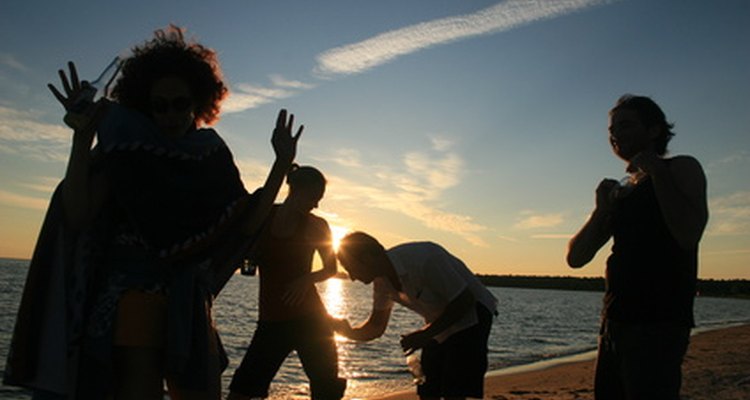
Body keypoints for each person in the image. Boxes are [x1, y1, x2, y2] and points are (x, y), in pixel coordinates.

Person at [4, 25, 302, 400]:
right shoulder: (128, 156)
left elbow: (247, 223)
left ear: (198, 103)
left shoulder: (211, 157)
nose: (171, 114)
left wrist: (281, 165)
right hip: (129, 301)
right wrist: (82, 138)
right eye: (159, 105)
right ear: (145, 105)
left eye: (180, 103)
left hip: (189, 306)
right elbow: (78, 213)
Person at [567, 94, 708, 399]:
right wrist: (601, 210)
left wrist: (657, 172)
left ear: (654, 130)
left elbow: (688, 234)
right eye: (612, 130)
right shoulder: (622, 190)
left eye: (626, 125)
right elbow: (576, 258)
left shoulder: (681, 168)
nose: (615, 134)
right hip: (614, 321)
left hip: (658, 323)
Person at [332, 232, 498, 400]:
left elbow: (464, 300)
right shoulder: (381, 283)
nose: (352, 278)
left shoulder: (424, 259)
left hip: (474, 314)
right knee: (427, 387)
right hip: (438, 321)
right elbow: (376, 327)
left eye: (350, 268)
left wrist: (425, 334)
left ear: (367, 258)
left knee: (454, 388)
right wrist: (346, 331)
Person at [228, 165, 346, 400]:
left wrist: (306, 279)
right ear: (296, 191)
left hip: (311, 320)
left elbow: (331, 268)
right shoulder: (265, 217)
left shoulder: (318, 225)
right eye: (314, 197)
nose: (316, 205)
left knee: (326, 389)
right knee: (242, 389)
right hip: (272, 319)